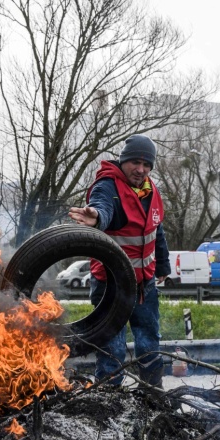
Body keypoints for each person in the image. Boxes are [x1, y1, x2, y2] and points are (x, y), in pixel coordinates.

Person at [68, 134, 171, 387]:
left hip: (144, 284)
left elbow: (156, 230)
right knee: (112, 347)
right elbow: (102, 207)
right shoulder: (108, 186)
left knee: (149, 341)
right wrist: (97, 217)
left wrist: (163, 265)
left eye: (147, 164)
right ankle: (108, 398)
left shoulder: (151, 190)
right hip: (111, 286)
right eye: (135, 162)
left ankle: (152, 393)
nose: (141, 169)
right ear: (124, 161)